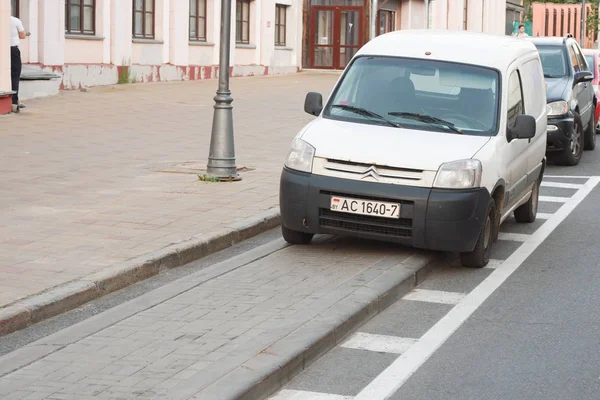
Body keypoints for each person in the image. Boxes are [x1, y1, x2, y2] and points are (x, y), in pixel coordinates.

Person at [10, 14, 27, 112]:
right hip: (13, 50)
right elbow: (23, 35)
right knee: (15, 75)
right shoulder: (15, 20)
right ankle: (14, 100)